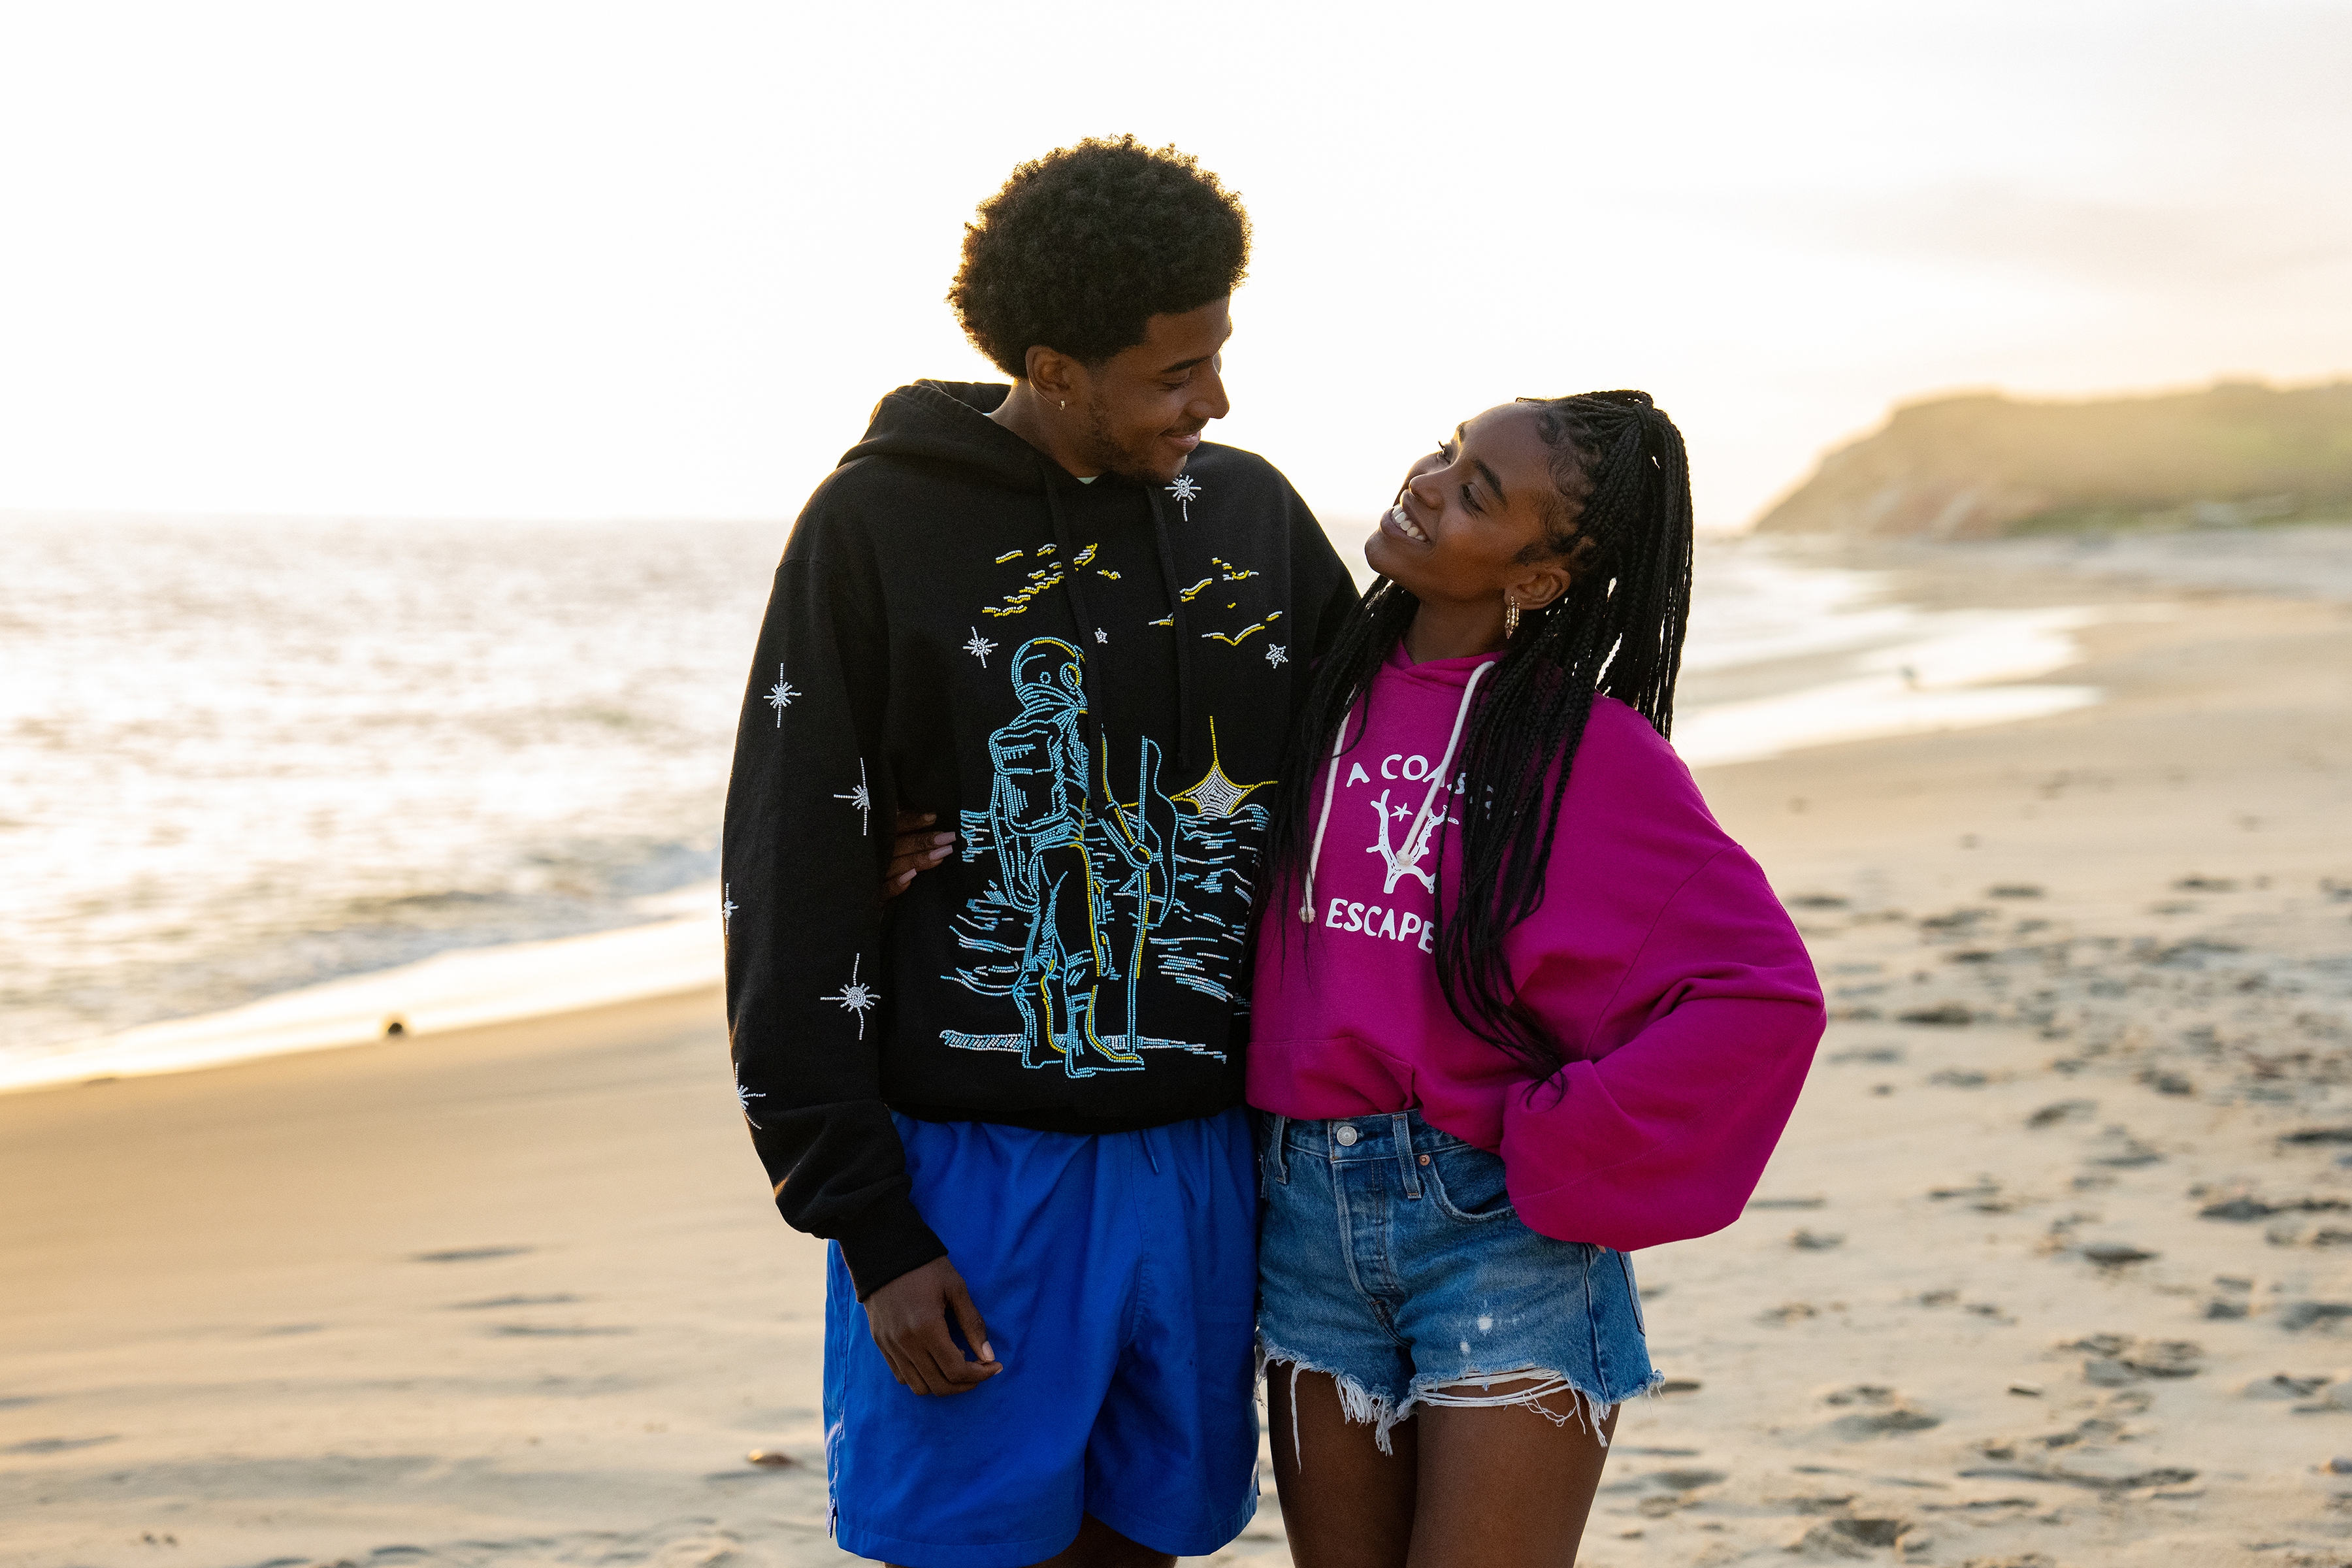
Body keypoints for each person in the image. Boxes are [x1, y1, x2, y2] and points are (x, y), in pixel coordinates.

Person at [721, 137, 1358, 1568]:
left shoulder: (1248, 514)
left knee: (1150, 1540)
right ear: (1057, 369)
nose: (1216, 398)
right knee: (964, 1549)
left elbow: (1384, 744)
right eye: (1174, 373)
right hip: (972, 1170)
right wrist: (869, 1229)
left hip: (1205, 1158)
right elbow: (788, 874)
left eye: (1221, 354)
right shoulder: (876, 526)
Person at [1246, 393, 1825, 1567]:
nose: (1427, 482)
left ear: (1543, 575)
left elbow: (1763, 991)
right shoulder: (1304, 693)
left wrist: (1561, 1142)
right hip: (1302, 1225)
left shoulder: (1586, 750)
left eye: (1476, 494)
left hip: (1491, 1233)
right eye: (1447, 454)